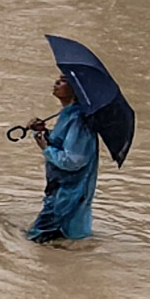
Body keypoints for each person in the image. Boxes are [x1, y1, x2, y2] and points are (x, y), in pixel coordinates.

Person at [20, 74, 98, 244]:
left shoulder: (79, 120)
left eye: (64, 81)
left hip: (68, 194)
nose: (56, 82)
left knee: (34, 240)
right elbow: (61, 145)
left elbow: (73, 160)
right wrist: (41, 133)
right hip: (60, 191)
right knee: (59, 242)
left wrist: (45, 148)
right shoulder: (67, 114)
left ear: (76, 90)